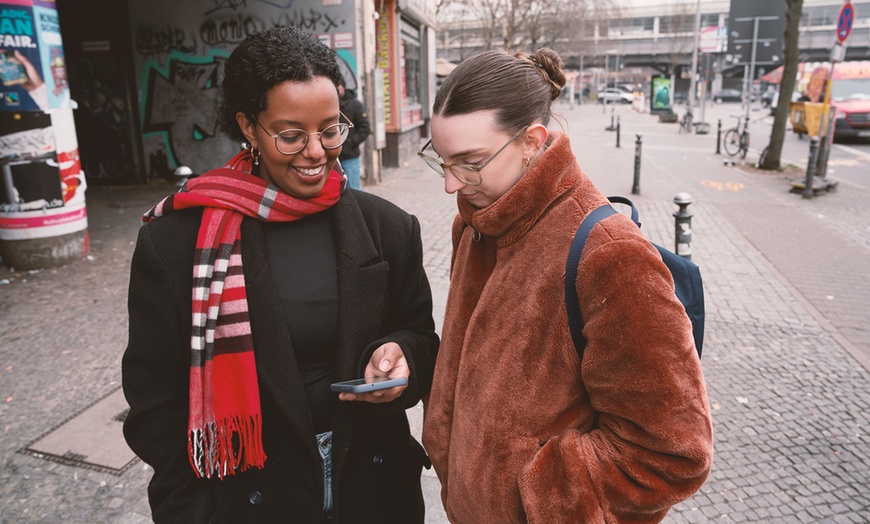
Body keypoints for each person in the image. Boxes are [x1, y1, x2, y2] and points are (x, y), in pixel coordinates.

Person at [122, 26, 439, 524]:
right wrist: (191, 503)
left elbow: (421, 334)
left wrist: (403, 358)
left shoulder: (390, 228)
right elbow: (153, 398)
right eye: (291, 135)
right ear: (250, 126)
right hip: (244, 497)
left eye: (331, 129)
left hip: (373, 490)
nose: (316, 151)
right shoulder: (174, 244)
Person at [419, 48, 713, 523]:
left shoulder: (610, 253)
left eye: (468, 162)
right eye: (441, 160)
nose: (451, 185)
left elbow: (671, 452)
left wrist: (537, 496)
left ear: (532, 141)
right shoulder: (477, 225)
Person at [337, 79, 371, 190]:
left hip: (350, 157)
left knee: (354, 189)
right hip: (334, 158)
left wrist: (351, 141)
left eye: (337, 86)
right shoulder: (331, 105)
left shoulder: (355, 105)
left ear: (342, 87)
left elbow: (365, 128)